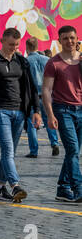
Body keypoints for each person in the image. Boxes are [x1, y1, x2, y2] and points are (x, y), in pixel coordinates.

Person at [0, 27, 40, 203]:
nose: (14, 47)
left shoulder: (22, 61)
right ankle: (15, 185)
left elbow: (32, 87)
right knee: (8, 150)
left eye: (17, 44)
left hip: (19, 112)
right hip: (0, 111)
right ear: (2, 41)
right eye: (11, 44)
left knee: (9, 153)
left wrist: (36, 111)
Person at [43, 25, 82, 201]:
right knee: (73, 149)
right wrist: (50, 115)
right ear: (59, 41)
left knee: (74, 152)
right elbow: (46, 90)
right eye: (65, 38)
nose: (69, 41)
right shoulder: (53, 63)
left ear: (77, 39)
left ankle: (63, 188)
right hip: (63, 109)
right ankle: (78, 188)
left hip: (81, 109)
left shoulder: (81, 61)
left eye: (72, 38)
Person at [24, 36, 60, 158]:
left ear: (27, 47)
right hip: (47, 95)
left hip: (32, 97)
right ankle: (54, 143)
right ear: (37, 46)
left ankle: (34, 150)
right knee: (49, 119)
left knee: (31, 123)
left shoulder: (26, 61)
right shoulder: (47, 60)